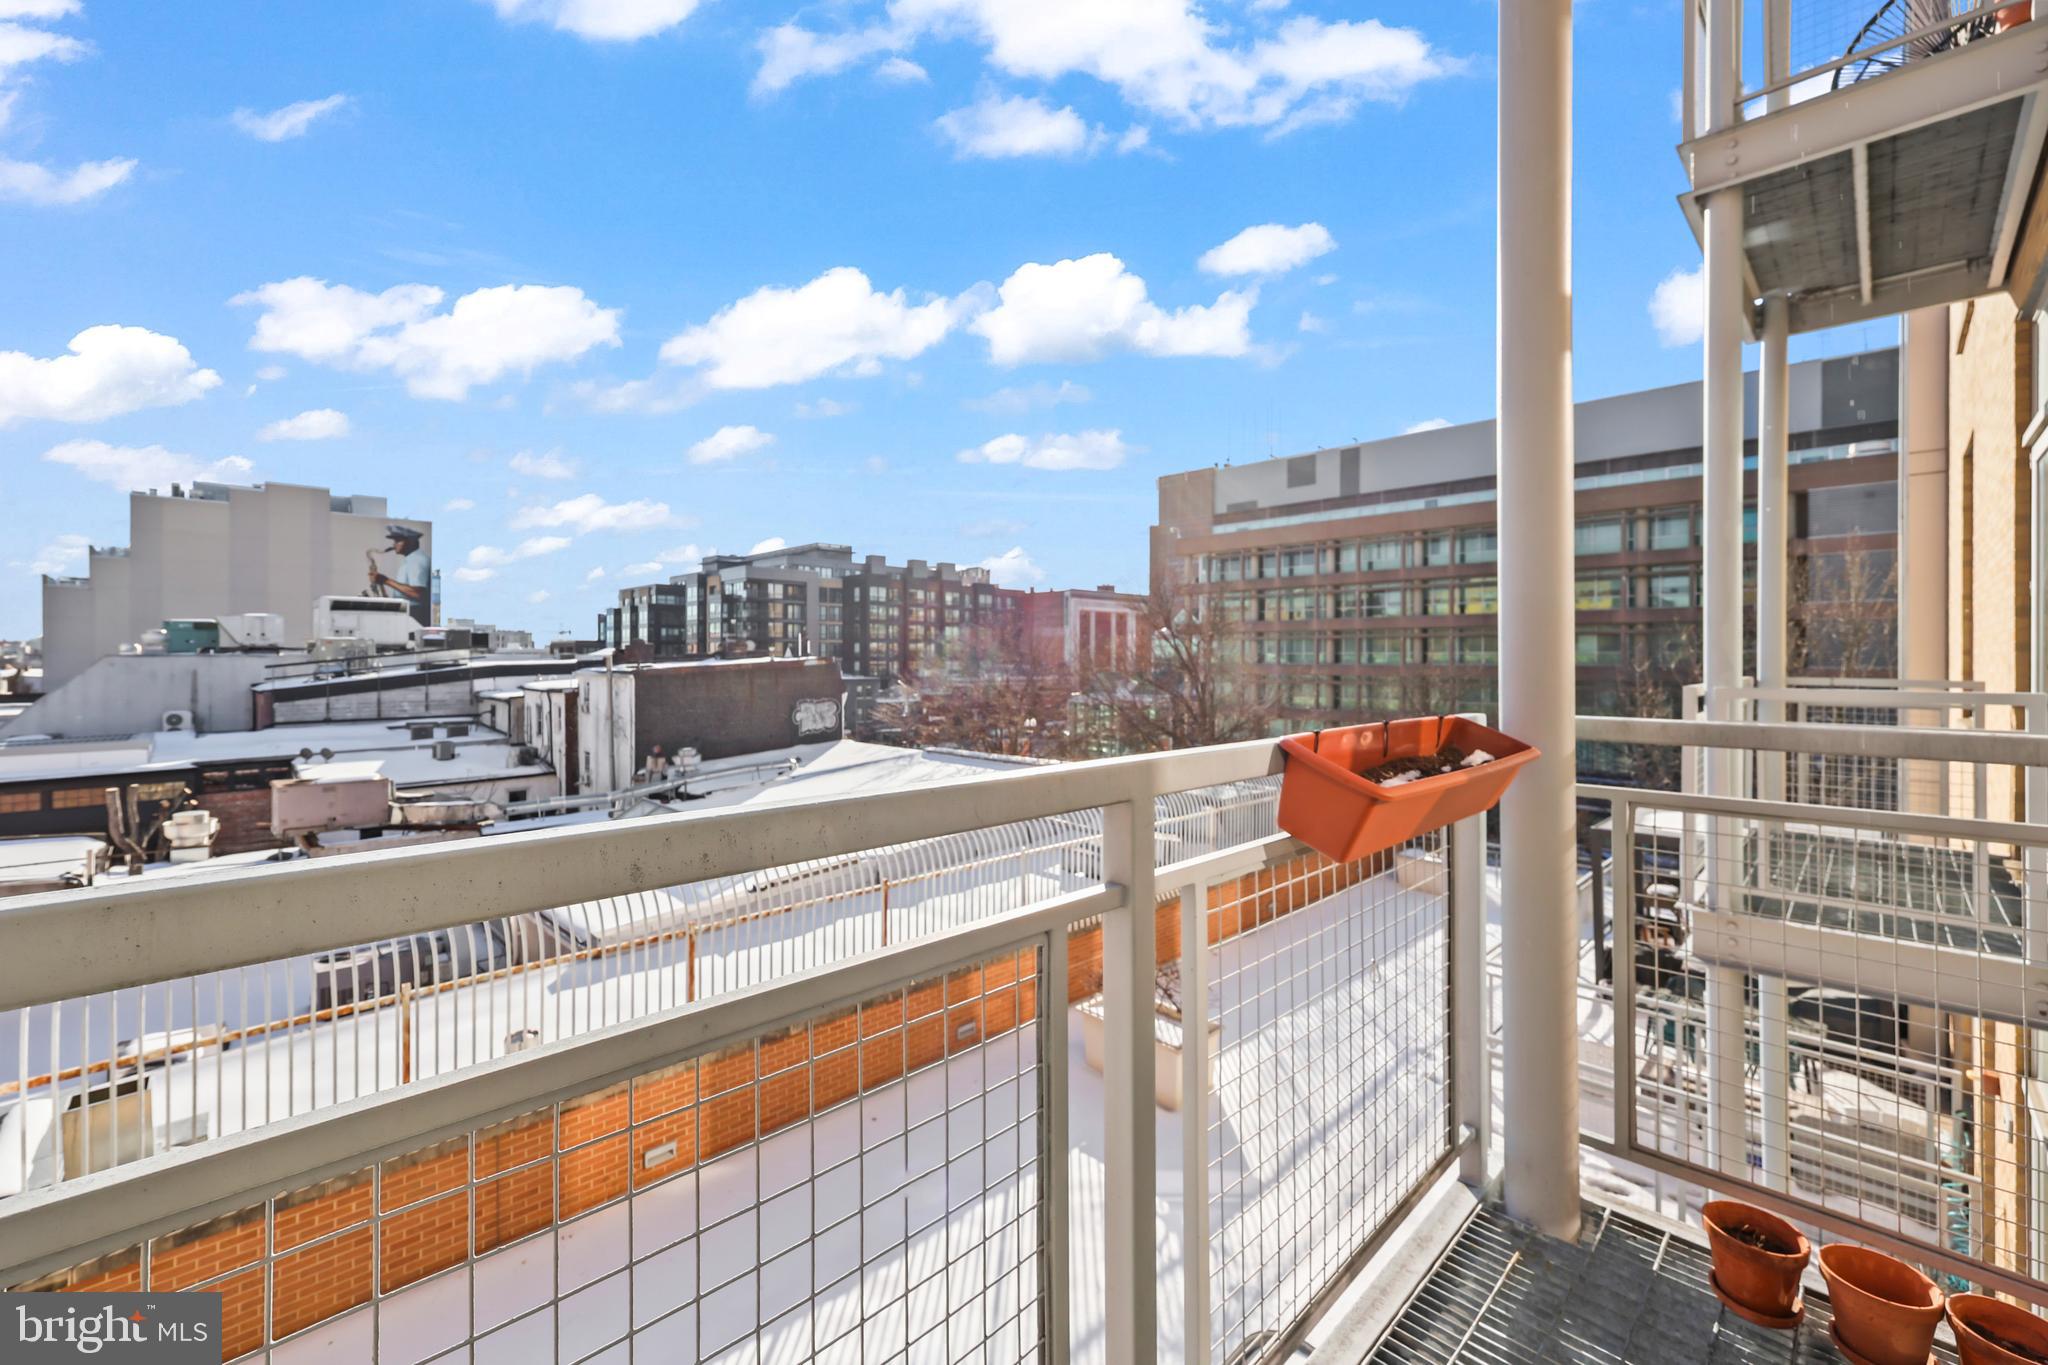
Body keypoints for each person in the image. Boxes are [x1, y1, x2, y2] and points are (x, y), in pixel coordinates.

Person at [368, 524, 430, 618]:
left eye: (397, 541)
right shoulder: (411, 559)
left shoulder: (417, 560)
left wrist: (385, 580)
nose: (394, 545)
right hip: (409, 611)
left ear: (410, 542)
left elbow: (417, 594)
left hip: (414, 613)